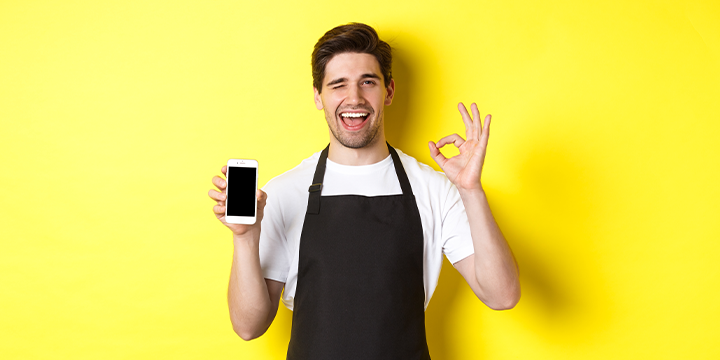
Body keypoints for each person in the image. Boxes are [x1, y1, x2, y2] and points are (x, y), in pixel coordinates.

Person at [208, 22, 520, 360]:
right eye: (337, 85)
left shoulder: (433, 188)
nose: (353, 98)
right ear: (318, 96)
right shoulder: (284, 193)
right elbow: (248, 326)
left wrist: (471, 191)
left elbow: (502, 295)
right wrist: (245, 237)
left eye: (367, 82)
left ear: (388, 91)